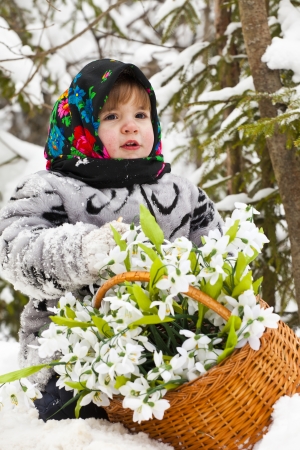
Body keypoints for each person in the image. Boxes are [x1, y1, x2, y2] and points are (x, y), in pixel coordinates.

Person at [0, 59, 223, 421]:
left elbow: (218, 255)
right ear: (81, 124)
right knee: (74, 422)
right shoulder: (52, 188)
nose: (131, 125)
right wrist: (84, 252)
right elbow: (14, 250)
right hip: (71, 360)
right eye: (112, 117)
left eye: (141, 114)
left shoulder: (182, 194)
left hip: (167, 357)